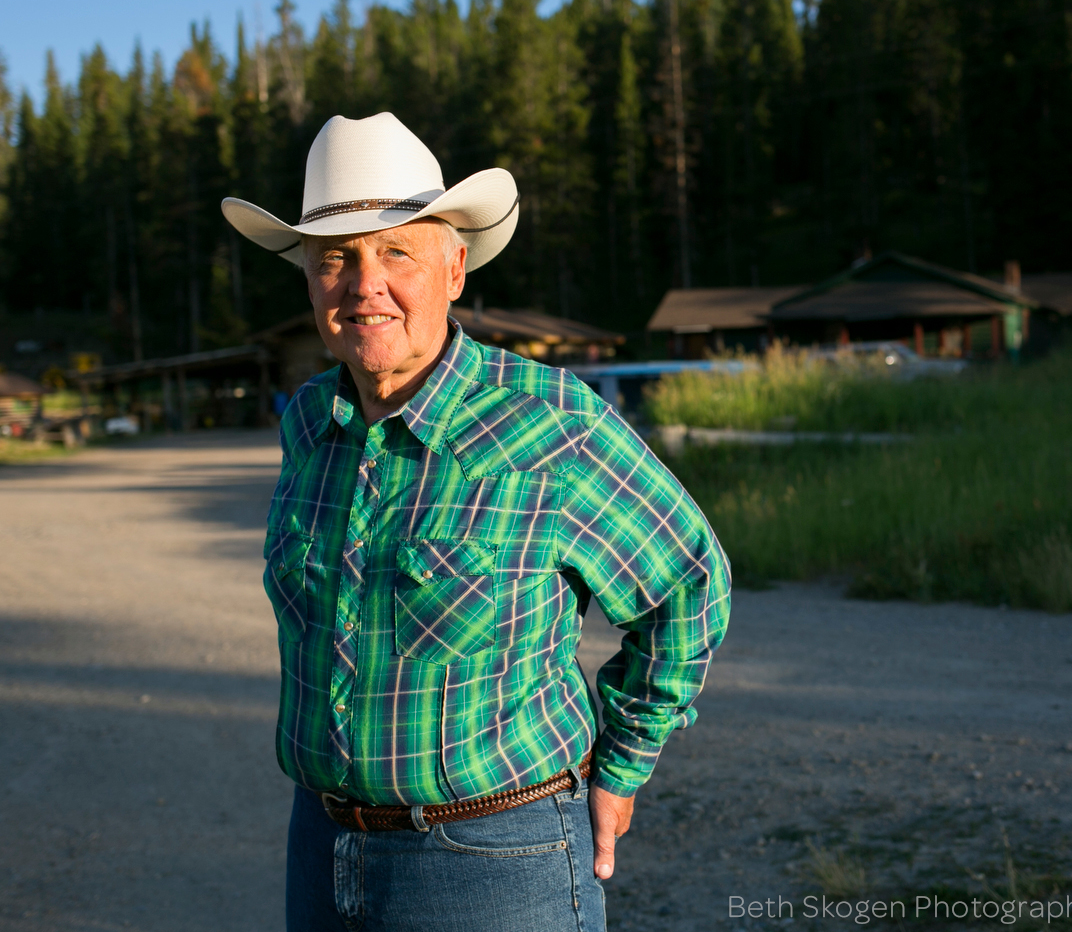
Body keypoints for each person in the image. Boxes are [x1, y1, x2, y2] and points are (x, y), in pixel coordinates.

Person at [222, 113, 731, 932]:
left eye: (396, 251)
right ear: (309, 280)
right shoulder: (309, 420)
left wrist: (625, 763)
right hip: (320, 848)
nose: (364, 285)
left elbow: (689, 584)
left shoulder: (552, 423)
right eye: (335, 258)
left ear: (454, 267)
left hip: (494, 864)